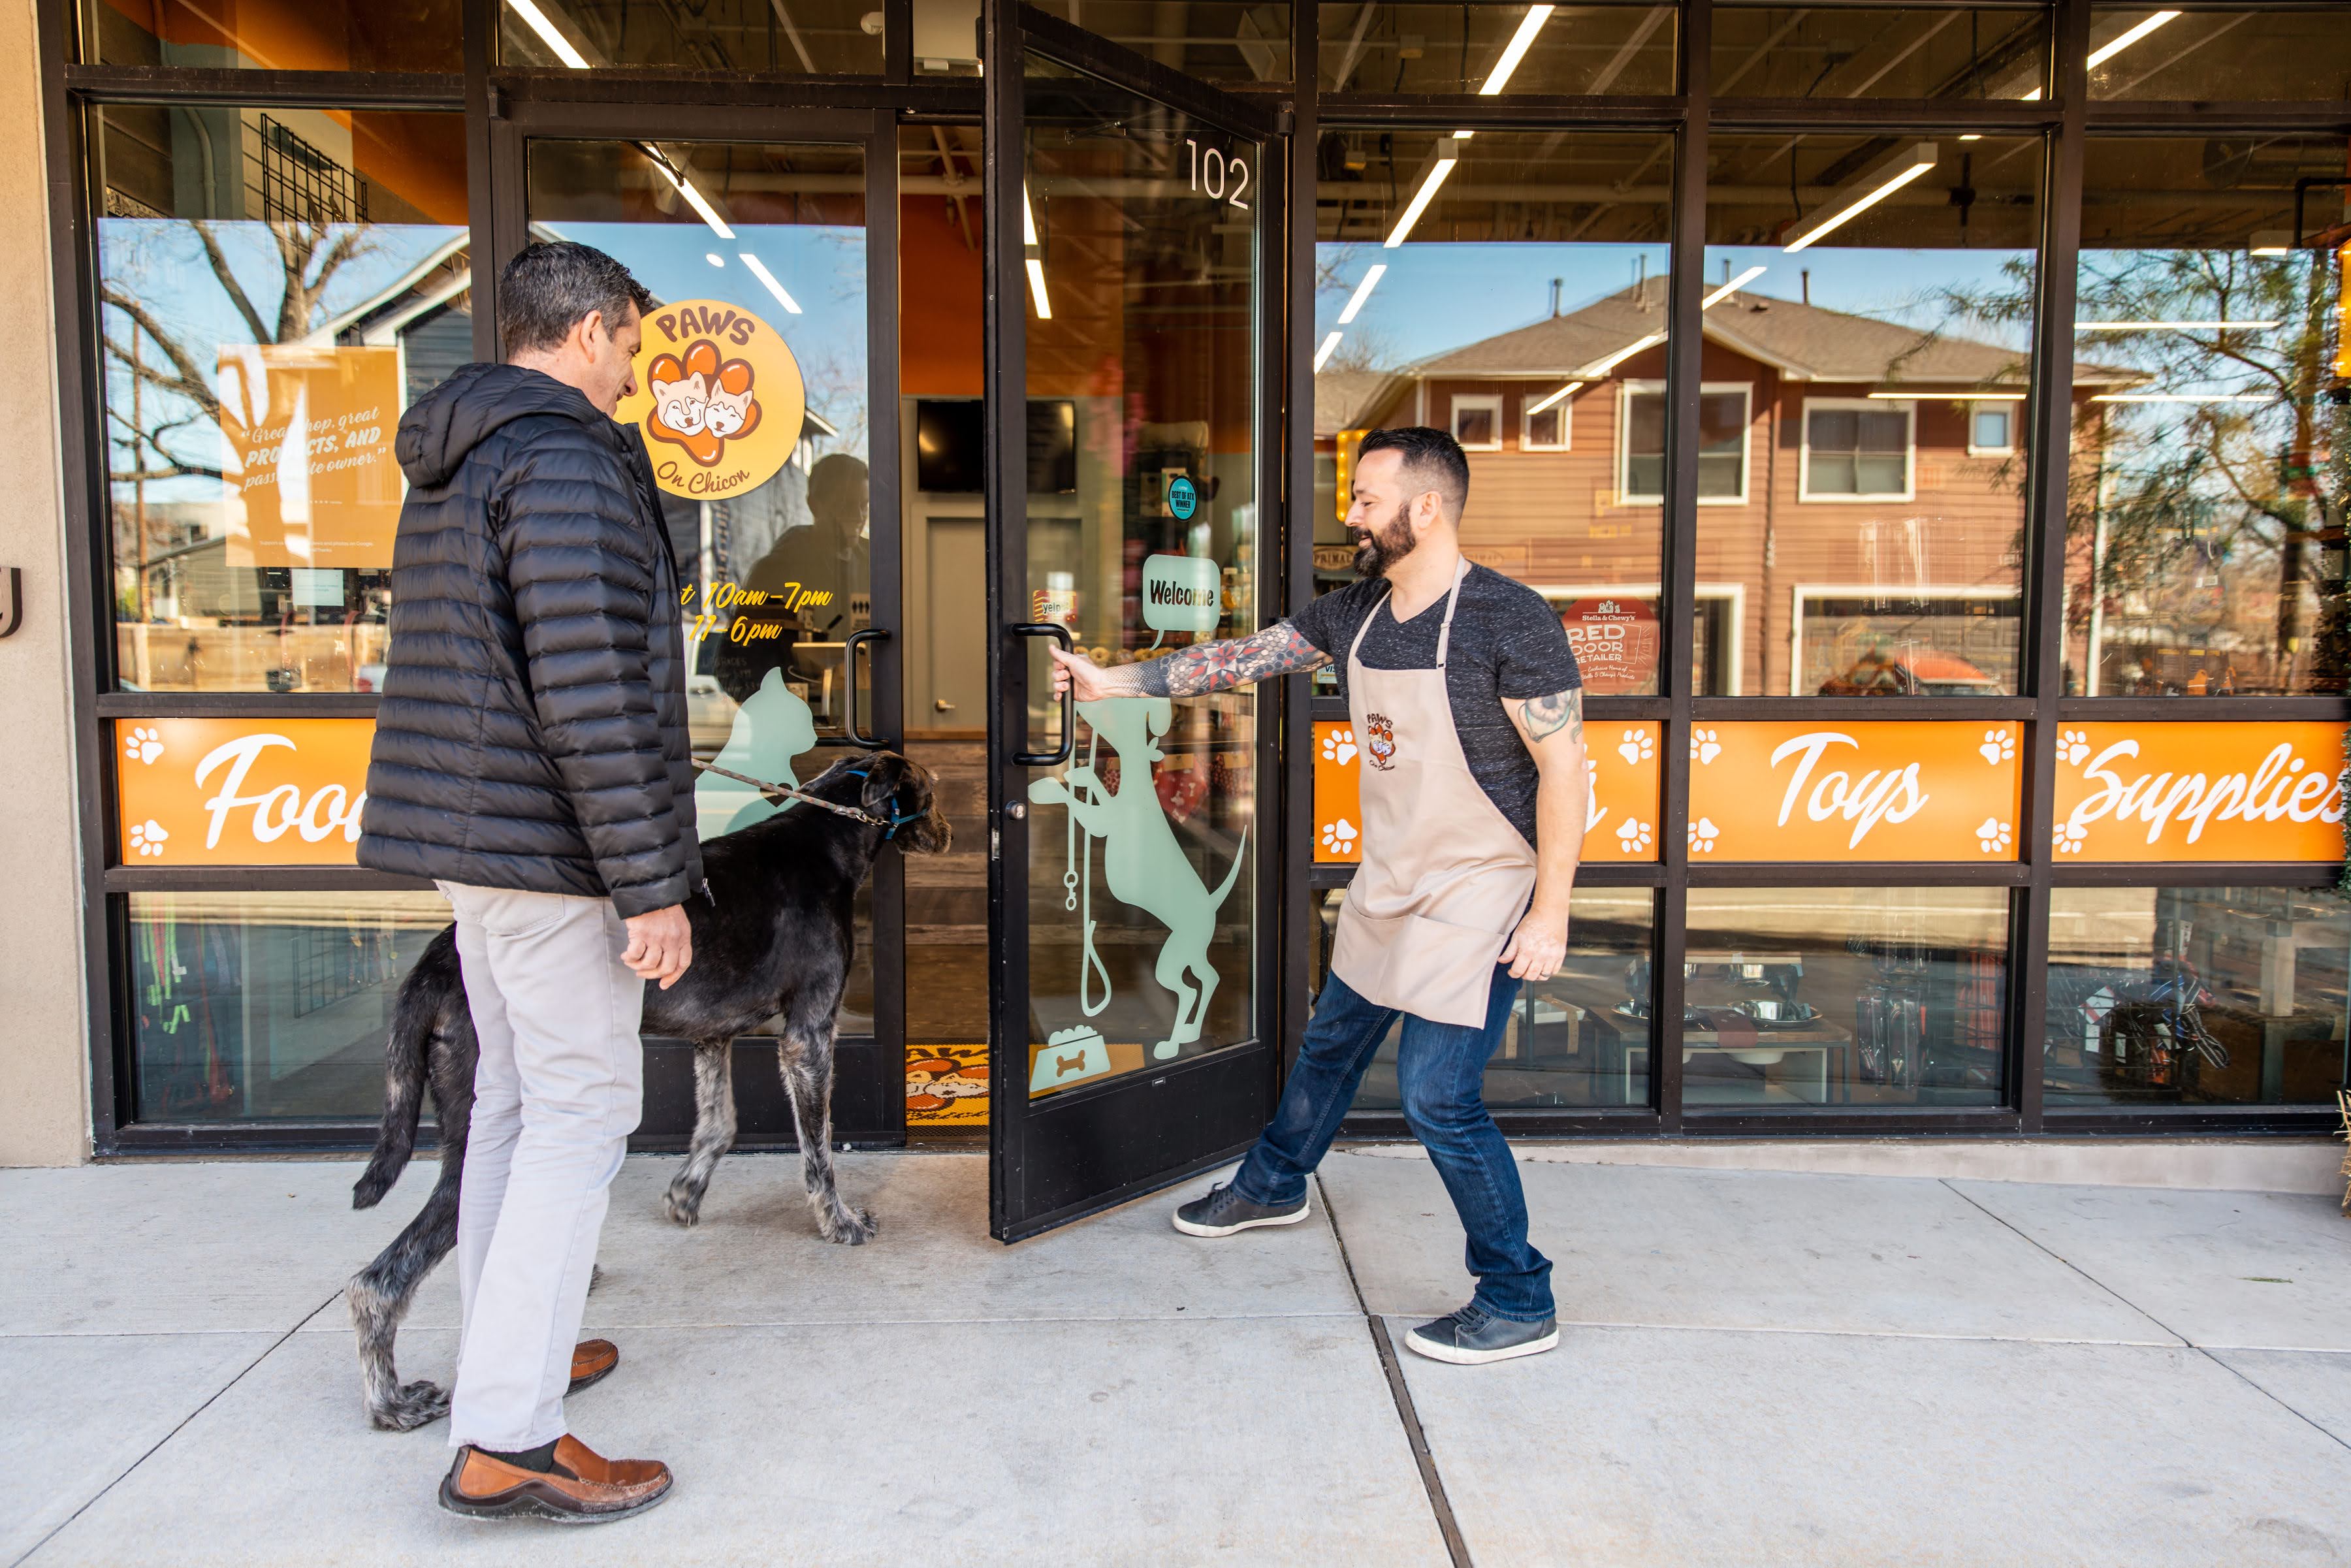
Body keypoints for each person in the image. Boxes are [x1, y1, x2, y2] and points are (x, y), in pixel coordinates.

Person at [1048, 426, 1586, 1366]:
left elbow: (1567, 771)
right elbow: (1243, 659)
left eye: (1368, 499)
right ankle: (1274, 1183)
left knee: (1438, 1096)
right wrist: (1114, 683)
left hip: (1483, 886)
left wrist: (1551, 910)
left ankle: (1517, 1294)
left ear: (1428, 507)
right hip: (1393, 876)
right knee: (1333, 1041)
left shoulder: (1510, 618)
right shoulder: (1356, 612)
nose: (1353, 515)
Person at [359, 240, 699, 1522]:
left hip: (478, 845)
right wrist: (650, 882)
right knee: (580, 1116)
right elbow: (589, 690)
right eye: (631, 346)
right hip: (551, 851)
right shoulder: (561, 460)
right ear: (590, 330)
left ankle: (513, 1358)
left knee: (510, 1104)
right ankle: (509, 1435)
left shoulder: (466, 453)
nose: (634, 375)